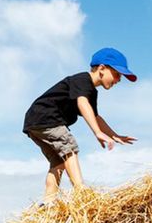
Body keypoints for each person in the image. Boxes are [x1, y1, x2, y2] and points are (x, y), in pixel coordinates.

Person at [22, 47, 137, 204]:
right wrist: (97, 132)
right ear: (102, 68)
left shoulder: (90, 90)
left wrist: (113, 135)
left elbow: (95, 116)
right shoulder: (83, 80)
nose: (118, 80)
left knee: (59, 162)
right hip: (47, 117)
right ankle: (81, 192)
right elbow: (82, 103)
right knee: (69, 146)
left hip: (34, 122)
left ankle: (47, 203)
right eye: (117, 74)